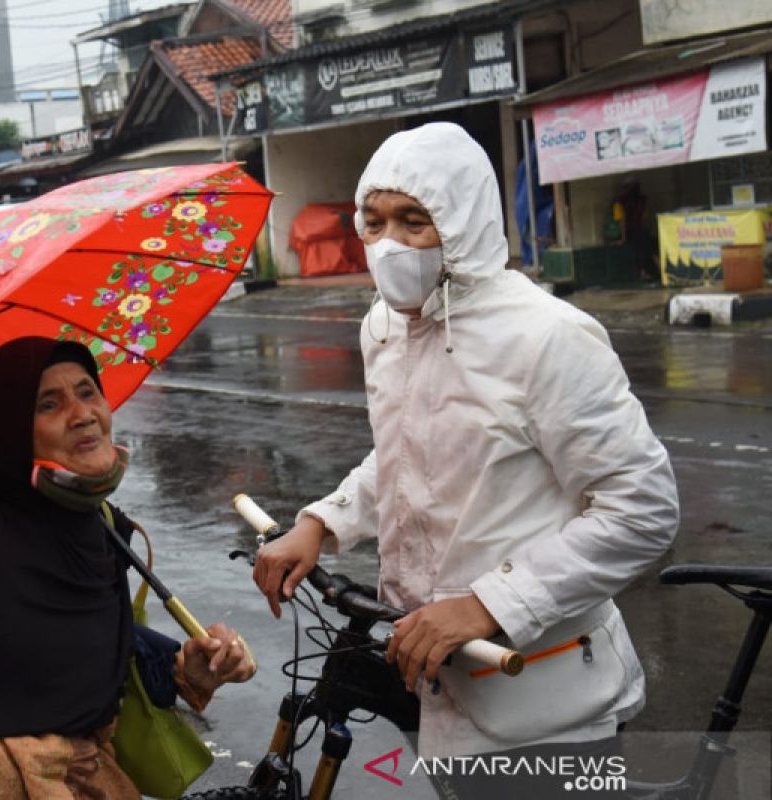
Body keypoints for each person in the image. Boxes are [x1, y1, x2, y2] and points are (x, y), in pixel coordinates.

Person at [253, 123, 678, 777]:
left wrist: (488, 606)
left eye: (414, 221)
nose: (390, 244)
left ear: (464, 222)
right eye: (374, 222)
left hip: (546, 699)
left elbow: (642, 509)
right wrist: (321, 523)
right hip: (430, 673)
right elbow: (408, 457)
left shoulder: (547, 337)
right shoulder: (386, 327)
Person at [0, 337, 255, 799]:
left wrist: (190, 670)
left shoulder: (98, 529)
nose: (83, 414)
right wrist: (13, 763)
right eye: (48, 404)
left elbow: (107, 660)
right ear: (6, 439)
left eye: (87, 391)